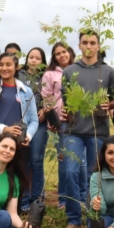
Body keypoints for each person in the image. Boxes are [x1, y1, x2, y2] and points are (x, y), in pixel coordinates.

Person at [59, 32, 114, 228]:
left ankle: (95, 216)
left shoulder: (108, 71)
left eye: (93, 42)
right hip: (73, 131)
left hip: (98, 131)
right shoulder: (69, 71)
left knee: (96, 176)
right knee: (70, 172)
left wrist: (109, 104)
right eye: (85, 43)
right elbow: (65, 101)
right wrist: (64, 112)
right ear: (79, 45)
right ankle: (74, 220)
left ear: (99, 45)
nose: (89, 46)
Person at [41, 42, 73, 209]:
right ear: (54, 57)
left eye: (64, 51)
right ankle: (62, 199)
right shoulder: (50, 74)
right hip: (61, 124)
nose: (62, 55)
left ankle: (80, 197)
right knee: (63, 160)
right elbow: (47, 98)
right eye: (57, 53)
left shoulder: (78, 69)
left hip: (79, 124)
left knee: (79, 162)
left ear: (70, 52)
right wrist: (52, 121)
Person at [17, 46, 48, 212]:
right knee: (23, 161)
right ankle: (23, 200)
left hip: (40, 124)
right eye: (31, 57)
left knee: (36, 160)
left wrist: (45, 108)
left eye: (38, 58)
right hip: (22, 123)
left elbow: (52, 97)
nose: (34, 60)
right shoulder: (19, 75)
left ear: (43, 61)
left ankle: (37, 199)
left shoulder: (46, 77)